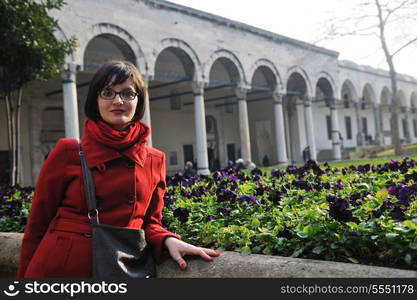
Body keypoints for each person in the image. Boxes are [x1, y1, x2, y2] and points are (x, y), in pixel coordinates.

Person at [17, 60, 220, 278]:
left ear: (139, 101)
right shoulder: (68, 152)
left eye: (127, 93)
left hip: (119, 269)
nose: (118, 100)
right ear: (96, 100)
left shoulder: (154, 159)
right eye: (107, 92)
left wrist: (168, 239)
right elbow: (36, 227)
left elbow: (149, 222)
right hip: (61, 270)